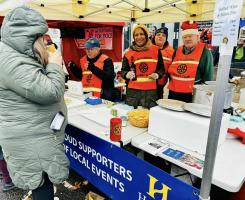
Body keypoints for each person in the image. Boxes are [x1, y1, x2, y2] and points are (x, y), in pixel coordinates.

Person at [0, 6, 69, 200]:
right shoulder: (10, 61)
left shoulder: (13, 54)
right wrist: (55, 66)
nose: (44, 42)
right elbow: (50, 92)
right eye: (41, 38)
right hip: (30, 138)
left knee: (40, 181)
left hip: (34, 134)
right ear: (29, 36)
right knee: (40, 183)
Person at [168, 20, 214, 102]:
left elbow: (208, 77)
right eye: (185, 37)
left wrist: (203, 95)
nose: (187, 39)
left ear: (197, 37)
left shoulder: (205, 52)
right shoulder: (177, 50)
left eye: (190, 36)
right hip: (173, 93)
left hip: (192, 95)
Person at [121, 24, 164, 108]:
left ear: (146, 35)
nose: (139, 37)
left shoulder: (155, 50)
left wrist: (157, 74)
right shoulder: (128, 52)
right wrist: (126, 74)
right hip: (133, 92)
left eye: (141, 34)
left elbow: (161, 68)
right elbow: (123, 70)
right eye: (136, 35)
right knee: (132, 116)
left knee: (148, 117)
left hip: (150, 92)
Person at [152, 27, 174, 99]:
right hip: (147, 83)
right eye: (158, 34)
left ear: (166, 39)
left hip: (161, 86)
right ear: (154, 36)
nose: (160, 36)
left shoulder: (171, 52)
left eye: (163, 35)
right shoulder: (147, 48)